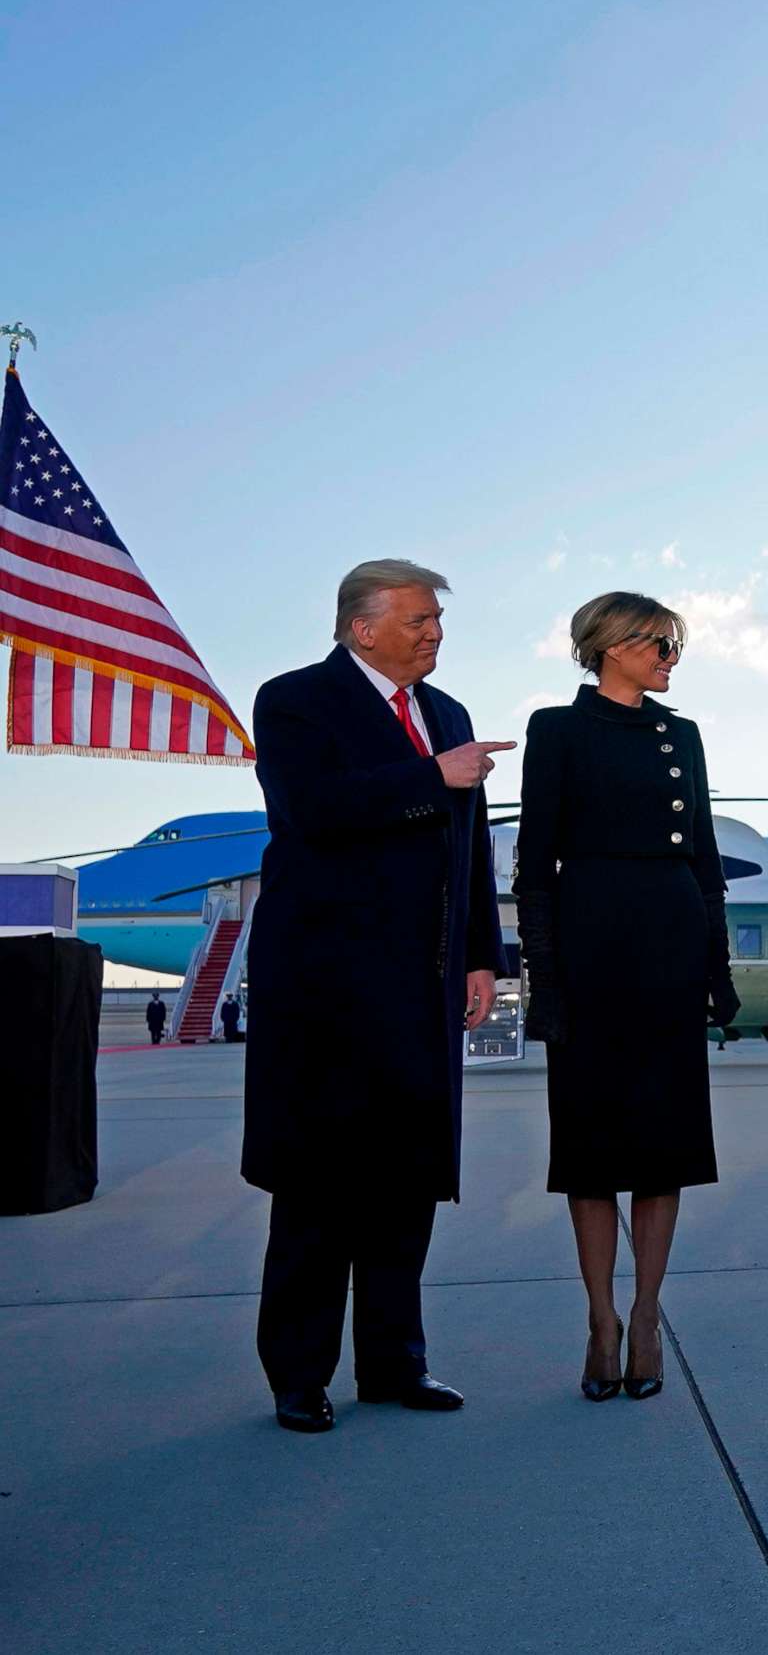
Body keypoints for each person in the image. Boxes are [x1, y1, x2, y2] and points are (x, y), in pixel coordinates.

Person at [241, 559, 508, 1434]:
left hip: (423, 986)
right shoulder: (293, 700)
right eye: (420, 619)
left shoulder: (449, 715)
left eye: (437, 619)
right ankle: (298, 1375)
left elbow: (468, 849)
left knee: (406, 1181)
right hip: (325, 990)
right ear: (363, 627)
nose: (436, 632)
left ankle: (396, 1364)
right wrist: (433, 776)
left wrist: (481, 956)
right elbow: (309, 810)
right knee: (319, 1187)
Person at [516, 591, 736, 1403]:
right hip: (590, 950)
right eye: (659, 645)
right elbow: (534, 867)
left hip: (670, 952)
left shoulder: (682, 737)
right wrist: (546, 982)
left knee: (662, 1147)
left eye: (674, 646)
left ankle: (646, 1316)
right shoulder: (558, 729)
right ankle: (599, 1317)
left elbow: (705, 861)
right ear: (611, 646)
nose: (671, 659)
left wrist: (714, 973)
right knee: (590, 1151)